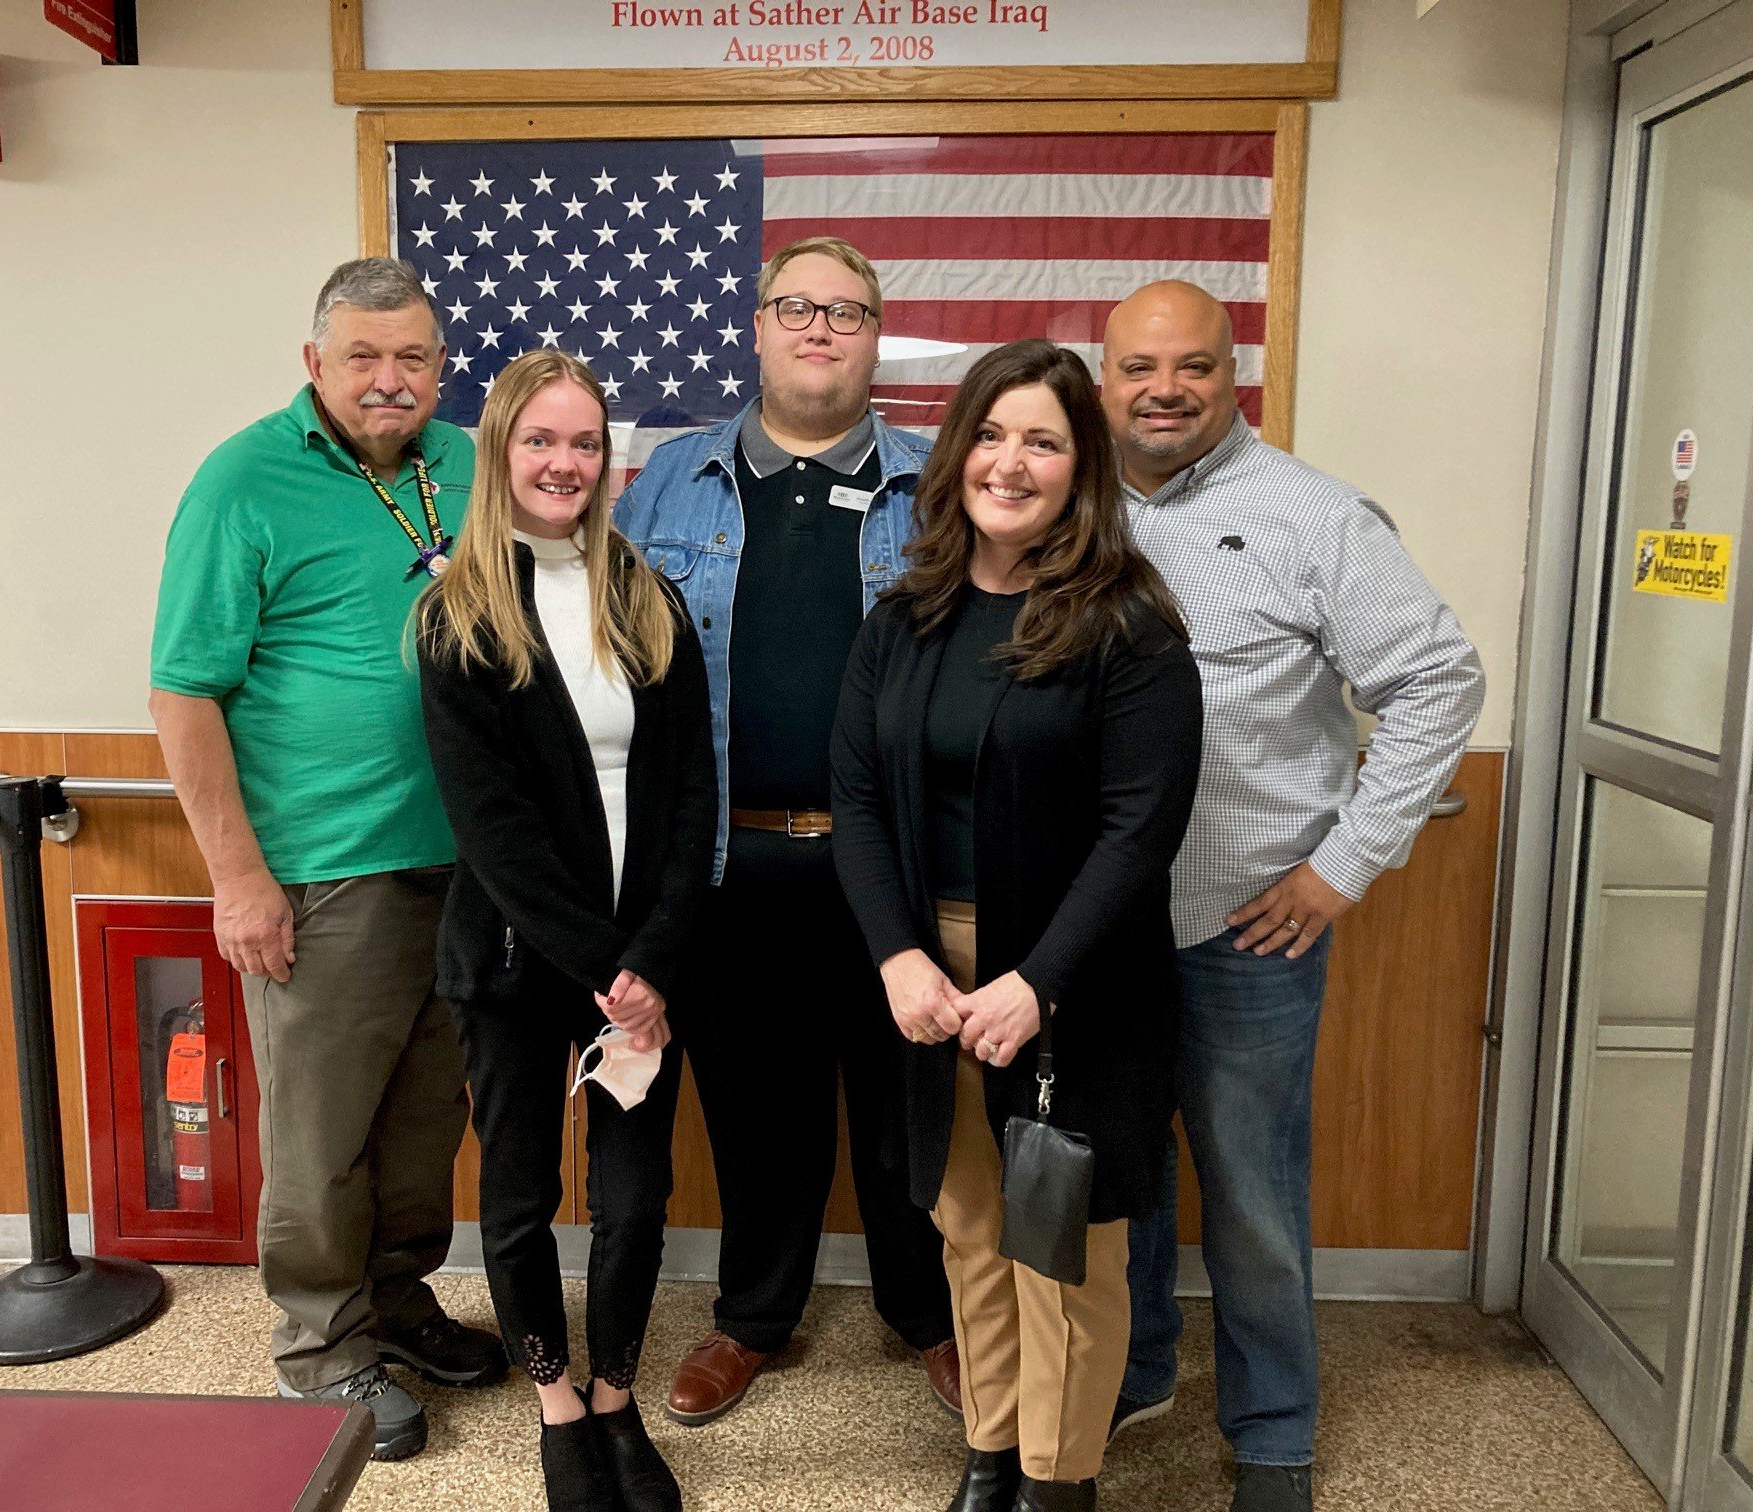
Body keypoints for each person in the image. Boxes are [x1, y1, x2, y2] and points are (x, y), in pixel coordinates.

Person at [1101, 281, 1485, 1512]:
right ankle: (1136, 1370)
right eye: (1140, 366)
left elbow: (1438, 679)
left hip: (1244, 924)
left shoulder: (1313, 517)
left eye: (1194, 367)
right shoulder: (1060, 503)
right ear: (1102, 375)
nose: (1165, 389)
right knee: (1118, 1168)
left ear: (1233, 377)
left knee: (1252, 1185)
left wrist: (1344, 866)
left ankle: (1273, 1433)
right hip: (1091, 931)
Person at [832, 339, 1204, 1512]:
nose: (1011, 461)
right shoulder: (908, 616)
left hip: (1072, 981)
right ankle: (991, 1455)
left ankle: (1058, 1480)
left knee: (1066, 1246)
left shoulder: (1130, 623)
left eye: (1042, 439)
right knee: (970, 1228)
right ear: (956, 456)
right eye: (991, 435)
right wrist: (897, 954)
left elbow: (1140, 831)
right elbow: (855, 798)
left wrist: (1038, 981)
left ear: (1079, 464)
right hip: (930, 977)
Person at [148, 256, 505, 1461]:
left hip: (461, 868)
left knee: (419, 1125)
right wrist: (237, 878)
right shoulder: (242, 481)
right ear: (316, 365)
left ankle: (399, 1304)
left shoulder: (468, 462)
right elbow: (186, 691)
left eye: (413, 358)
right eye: (363, 357)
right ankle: (319, 1341)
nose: (389, 380)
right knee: (321, 1133)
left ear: (442, 367)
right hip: (323, 872)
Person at [614, 236, 959, 1425]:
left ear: (877, 337)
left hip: (894, 870)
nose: (820, 329)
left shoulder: (943, 480)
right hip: (728, 861)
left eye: (848, 313)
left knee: (911, 1106)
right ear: (756, 328)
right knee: (759, 1117)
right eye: (797, 308)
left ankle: (931, 1316)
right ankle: (756, 1317)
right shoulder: (667, 477)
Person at [417, 349, 716, 1511]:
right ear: (500, 453)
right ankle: (554, 1404)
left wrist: (652, 959)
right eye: (540, 440)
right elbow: (492, 830)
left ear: (608, 459)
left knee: (636, 1201)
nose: (564, 462)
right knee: (522, 1196)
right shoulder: (459, 615)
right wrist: (608, 967)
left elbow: (691, 790)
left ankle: (615, 1395)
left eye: (584, 442)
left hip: (643, 965)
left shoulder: (646, 596)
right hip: (515, 965)